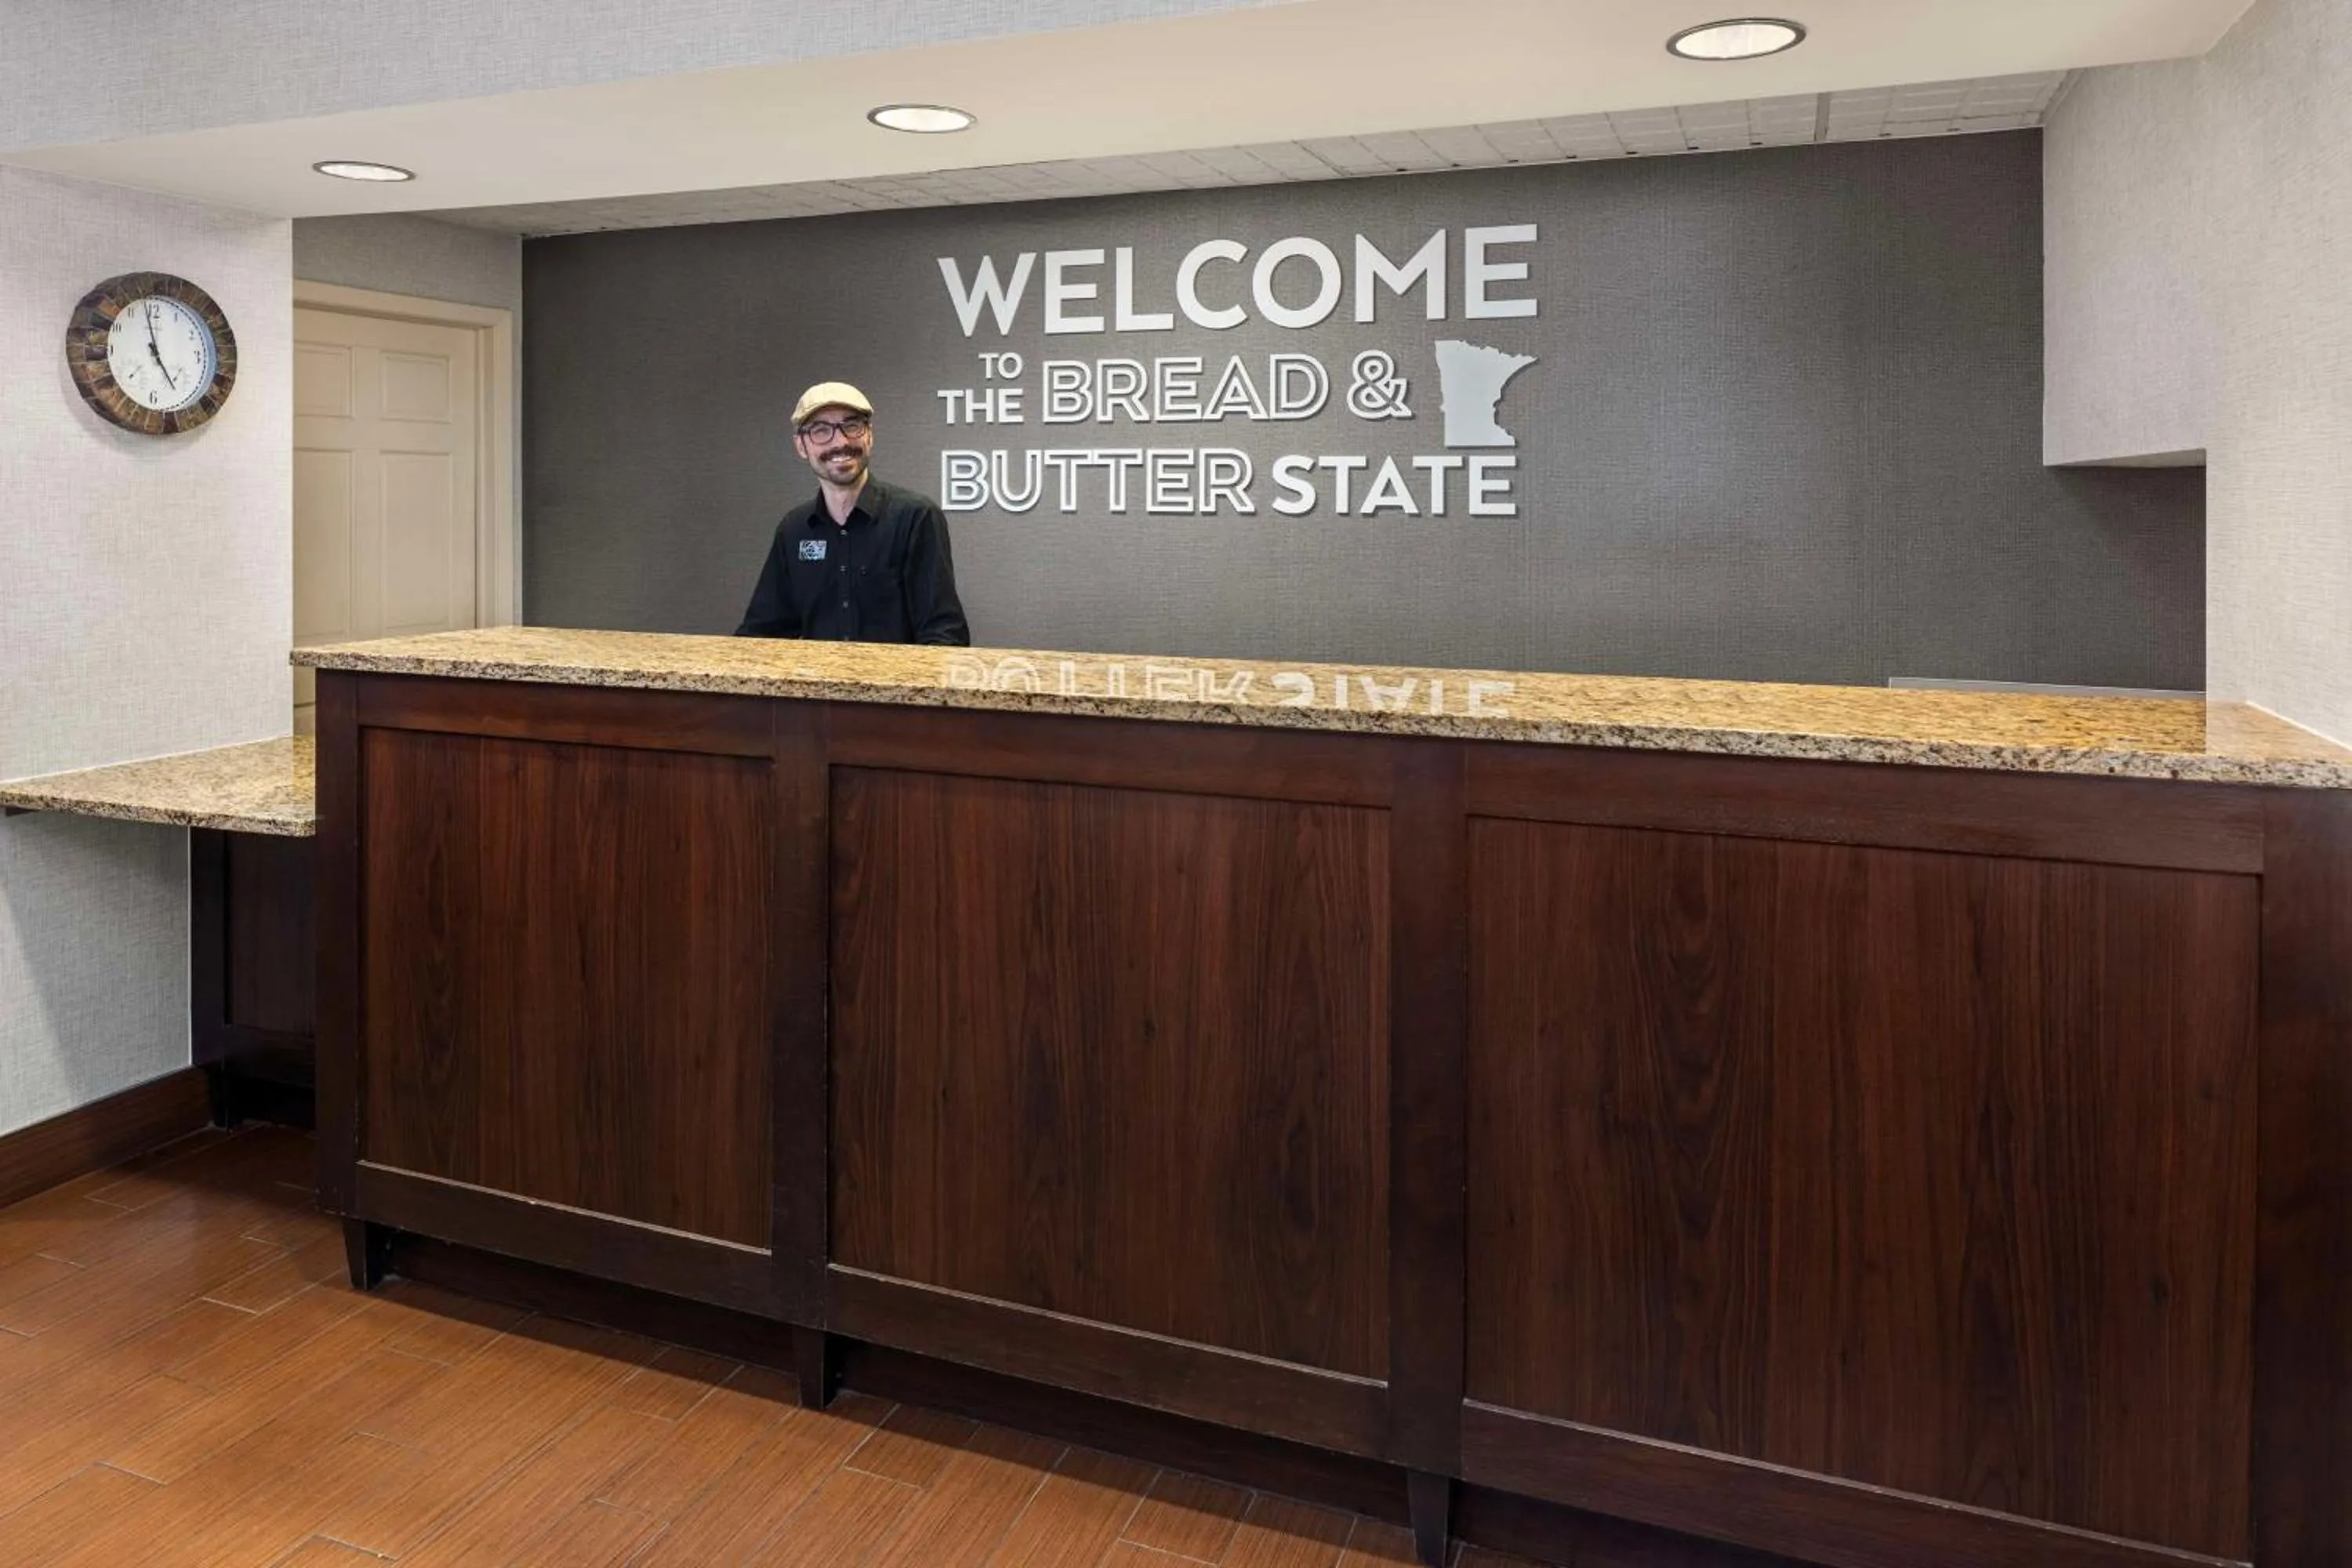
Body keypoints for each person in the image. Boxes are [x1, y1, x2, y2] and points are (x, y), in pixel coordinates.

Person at [735, 382, 971, 644]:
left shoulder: (915, 518)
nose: (841, 442)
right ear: (801, 446)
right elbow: (761, 634)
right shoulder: (794, 529)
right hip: (816, 673)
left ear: (869, 435)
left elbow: (944, 634)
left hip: (897, 674)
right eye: (821, 430)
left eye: (852, 426)